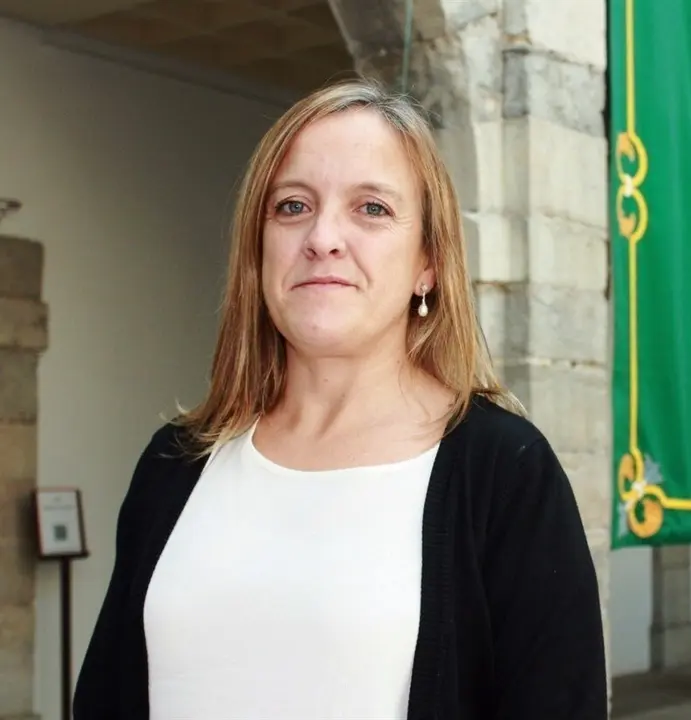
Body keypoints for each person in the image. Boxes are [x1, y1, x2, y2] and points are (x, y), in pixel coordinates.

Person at [72, 78, 607, 720]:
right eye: (292, 206)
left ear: (428, 263)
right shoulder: (176, 463)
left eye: (371, 208)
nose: (322, 236)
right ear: (258, 249)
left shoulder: (504, 471)